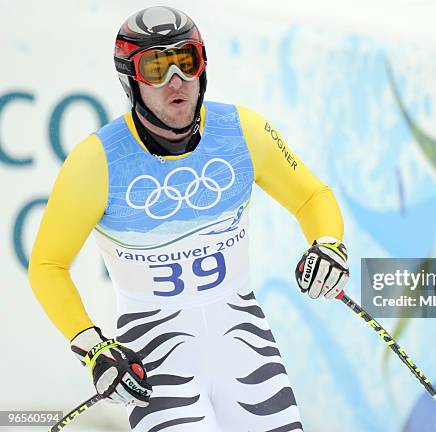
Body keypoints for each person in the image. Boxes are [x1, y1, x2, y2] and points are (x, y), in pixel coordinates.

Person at [28, 6, 349, 432]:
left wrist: (327, 243)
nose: (175, 79)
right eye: (155, 67)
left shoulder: (243, 130)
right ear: (130, 80)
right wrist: (92, 347)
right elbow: (48, 266)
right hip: (155, 356)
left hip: (244, 340)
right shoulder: (96, 162)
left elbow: (312, 196)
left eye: (187, 60)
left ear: (203, 67)